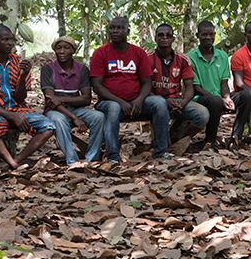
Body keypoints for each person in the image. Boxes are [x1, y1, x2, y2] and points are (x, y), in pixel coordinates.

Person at [0, 23, 55, 168]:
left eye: (11, 39)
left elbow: (20, 98)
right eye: (5, 40)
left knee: (48, 127)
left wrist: (22, 76)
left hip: (20, 110)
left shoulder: (19, 62)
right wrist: (11, 116)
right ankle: (12, 163)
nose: (10, 43)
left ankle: (16, 161)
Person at [88, 16, 161, 161]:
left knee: (159, 103)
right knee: (114, 107)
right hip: (108, 103)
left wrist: (140, 99)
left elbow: (147, 82)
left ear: (127, 31)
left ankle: (161, 151)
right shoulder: (100, 53)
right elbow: (97, 86)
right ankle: (113, 156)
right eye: (112, 28)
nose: (115, 31)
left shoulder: (138, 53)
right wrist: (120, 102)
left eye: (120, 28)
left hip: (135, 104)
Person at [40, 36, 101, 166]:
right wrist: (74, 118)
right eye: (58, 48)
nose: (62, 51)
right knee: (58, 120)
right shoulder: (48, 69)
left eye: (66, 48)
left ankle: (91, 159)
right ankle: (72, 162)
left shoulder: (82, 69)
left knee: (98, 117)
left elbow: (86, 99)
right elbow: (51, 102)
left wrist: (61, 99)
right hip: (55, 111)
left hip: (75, 108)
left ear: (73, 50)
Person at [147, 23, 208, 151]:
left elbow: (189, 87)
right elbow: (144, 87)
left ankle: (181, 141)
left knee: (203, 114)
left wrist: (183, 102)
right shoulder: (147, 58)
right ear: (156, 38)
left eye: (168, 35)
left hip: (177, 101)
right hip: (154, 102)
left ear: (173, 39)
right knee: (159, 107)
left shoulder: (183, 59)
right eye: (161, 35)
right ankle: (163, 143)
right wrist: (164, 102)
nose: (164, 38)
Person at [188, 20, 235, 150]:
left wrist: (227, 98)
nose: (208, 37)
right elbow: (196, 88)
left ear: (215, 35)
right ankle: (210, 142)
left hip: (218, 97)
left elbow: (224, 84)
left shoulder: (222, 56)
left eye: (211, 34)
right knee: (215, 101)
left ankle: (236, 138)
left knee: (246, 97)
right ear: (198, 36)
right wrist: (219, 99)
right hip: (200, 98)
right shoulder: (190, 57)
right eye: (204, 34)